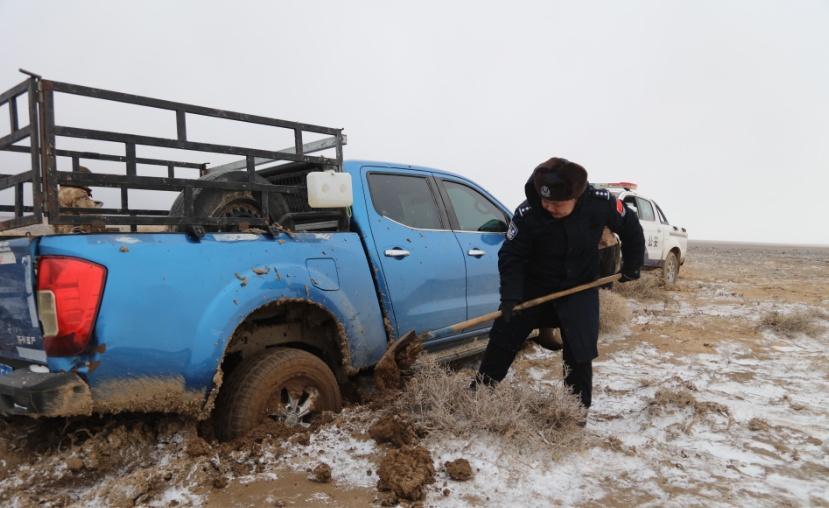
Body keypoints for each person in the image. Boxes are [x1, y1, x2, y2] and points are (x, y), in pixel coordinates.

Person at [473, 157, 645, 418]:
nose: (548, 206)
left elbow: (630, 227)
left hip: (580, 287)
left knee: (579, 351)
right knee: (502, 340)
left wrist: (633, 263)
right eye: (545, 200)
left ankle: (574, 412)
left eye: (556, 203)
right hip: (533, 287)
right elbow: (511, 255)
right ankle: (478, 396)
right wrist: (510, 296)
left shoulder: (600, 203)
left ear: (576, 196)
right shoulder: (528, 212)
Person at [55, 166, 103, 234]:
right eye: (89, 179)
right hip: (75, 233)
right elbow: (89, 212)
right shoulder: (79, 192)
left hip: (60, 232)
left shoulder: (61, 191)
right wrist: (96, 205)